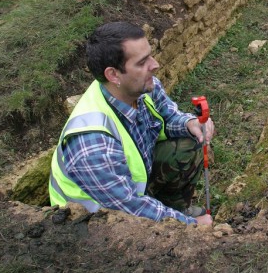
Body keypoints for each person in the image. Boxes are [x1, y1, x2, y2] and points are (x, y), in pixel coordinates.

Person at [49, 21, 214, 225]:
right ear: (113, 74)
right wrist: (192, 226)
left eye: (150, 55)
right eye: (142, 62)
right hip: (93, 224)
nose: (155, 65)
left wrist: (189, 123)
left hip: (130, 187)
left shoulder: (140, 87)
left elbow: (169, 116)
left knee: (187, 142)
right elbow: (131, 208)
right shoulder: (93, 145)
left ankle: (173, 207)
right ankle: (171, 218)